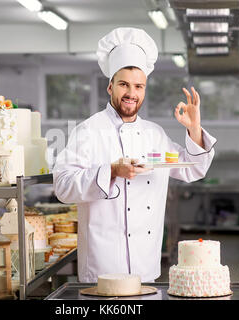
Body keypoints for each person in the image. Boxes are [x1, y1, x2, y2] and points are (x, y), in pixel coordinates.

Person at [52, 27, 217, 283]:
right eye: (124, 84)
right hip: (102, 267)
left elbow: (192, 168)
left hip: (145, 266)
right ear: (110, 87)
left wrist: (194, 129)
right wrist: (112, 171)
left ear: (145, 89)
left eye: (138, 86)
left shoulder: (155, 136)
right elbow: (62, 186)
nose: (131, 93)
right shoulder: (88, 131)